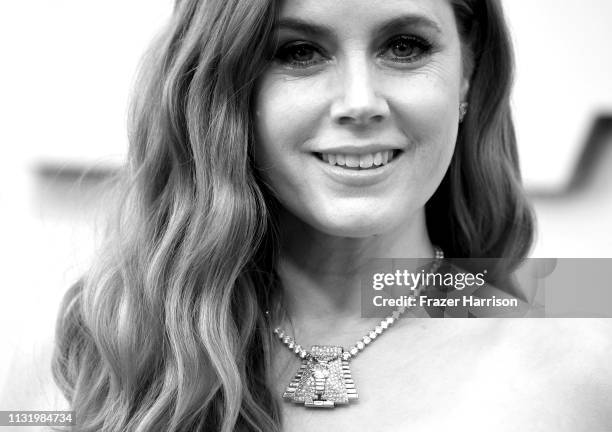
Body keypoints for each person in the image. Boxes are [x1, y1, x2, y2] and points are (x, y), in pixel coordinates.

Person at [51, 0, 611, 431]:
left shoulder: (586, 369)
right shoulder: (95, 366)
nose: (360, 101)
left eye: (406, 46)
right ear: (223, 90)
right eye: (299, 52)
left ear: (467, 74)